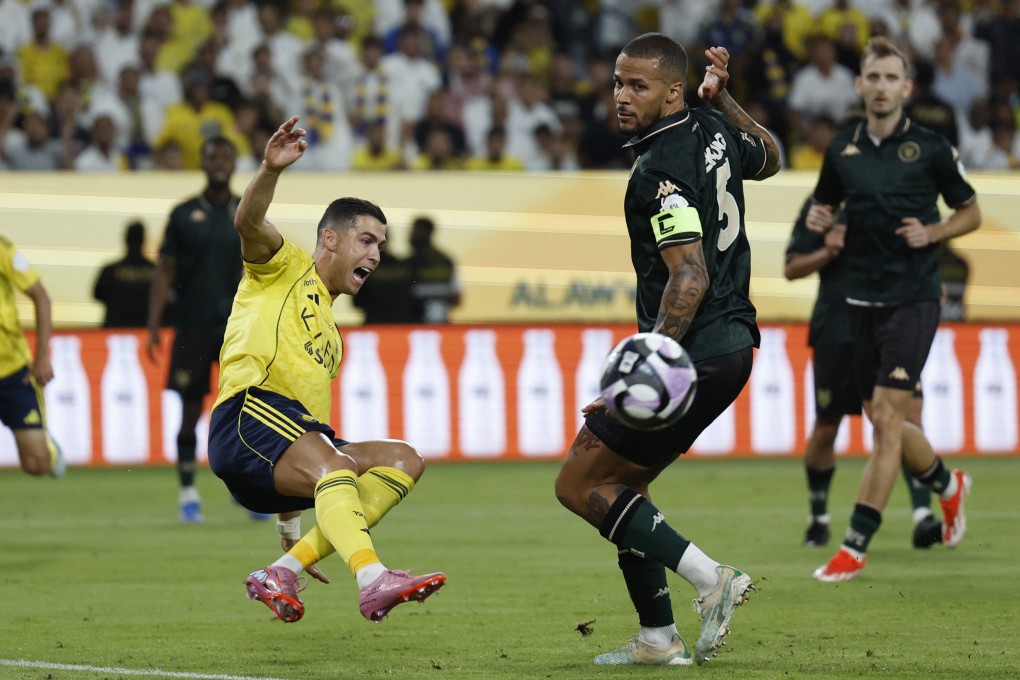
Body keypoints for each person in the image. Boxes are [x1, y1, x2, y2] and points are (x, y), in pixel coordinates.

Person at [554, 35, 781, 666]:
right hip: (731, 344)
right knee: (627, 487)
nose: (622, 97)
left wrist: (644, 370)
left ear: (671, 90)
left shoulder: (659, 171)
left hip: (699, 349)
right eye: (618, 83)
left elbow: (689, 277)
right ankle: (657, 637)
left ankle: (713, 580)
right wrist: (726, 99)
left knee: (579, 485)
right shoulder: (709, 124)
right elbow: (768, 159)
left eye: (639, 86)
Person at [207, 115, 445, 624]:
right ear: (331, 240)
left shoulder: (332, 341)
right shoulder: (282, 267)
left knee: (403, 460)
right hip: (246, 415)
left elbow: (307, 441)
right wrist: (270, 169)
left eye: (380, 244)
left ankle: (283, 569)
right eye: (366, 240)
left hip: (275, 444)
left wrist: (289, 526)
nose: (376, 254)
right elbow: (247, 222)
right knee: (334, 465)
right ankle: (372, 579)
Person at [805, 37, 980, 582]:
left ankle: (854, 546)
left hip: (914, 297)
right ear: (860, 85)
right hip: (859, 301)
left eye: (890, 78)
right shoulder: (841, 149)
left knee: (885, 420)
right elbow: (824, 202)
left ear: (906, 88)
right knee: (886, 418)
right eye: (872, 77)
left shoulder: (929, 147)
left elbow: (970, 212)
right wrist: (821, 219)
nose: (880, 87)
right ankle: (948, 486)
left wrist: (935, 230)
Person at [785, 197, 942, 550]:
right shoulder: (821, 206)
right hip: (838, 329)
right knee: (827, 424)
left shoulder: (897, 196)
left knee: (908, 415)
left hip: (892, 327)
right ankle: (819, 520)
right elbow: (792, 267)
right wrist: (828, 251)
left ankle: (923, 516)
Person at [146, 136, 262, 523]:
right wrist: (152, 326)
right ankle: (188, 493)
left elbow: (260, 270)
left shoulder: (246, 213)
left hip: (236, 329)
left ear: (233, 164)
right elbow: (166, 271)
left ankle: (245, 491)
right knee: (190, 409)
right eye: (213, 156)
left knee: (246, 411)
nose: (219, 162)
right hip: (192, 327)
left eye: (226, 156)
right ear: (204, 162)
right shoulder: (182, 215)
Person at [0, 234, 64, 478]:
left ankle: (50, 450)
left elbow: (41, 296)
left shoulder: (2, 248)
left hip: (12, 370)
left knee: (37, 464)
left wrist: (41, 357)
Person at [94, 221, 159, 328]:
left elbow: (97, 294)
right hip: (144, 330)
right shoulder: (155, 272)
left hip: (115, 329)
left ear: (126, 239)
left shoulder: (111, 270)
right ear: (143, 240)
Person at [407, 216, 461, 323]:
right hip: (440, 323)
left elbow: (457, 297)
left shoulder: (410, 263)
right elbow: (456, 298)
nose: (411, 235)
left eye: (415, 231)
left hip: (416, 323)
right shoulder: (446, 260)